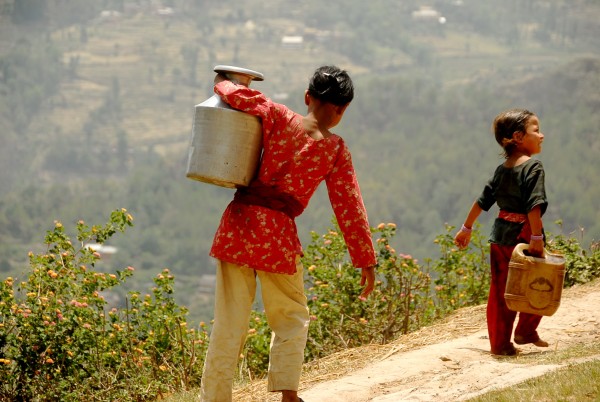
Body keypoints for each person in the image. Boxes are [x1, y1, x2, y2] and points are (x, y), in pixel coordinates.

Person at [200, 65, 377, 402]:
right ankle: (288, 394)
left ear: (308, 97)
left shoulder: (278, 116)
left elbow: (240, 95)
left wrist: (223, 82)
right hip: (277, 239)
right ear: (343, 109)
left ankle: (214, 398)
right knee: (292, 317)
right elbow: (348, 205)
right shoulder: (335, 150)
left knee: (229, 323)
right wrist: (364, 257)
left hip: (238, 227)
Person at [453, 108, 550, 356]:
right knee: (538, 283)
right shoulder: (533, 167)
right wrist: (537, 238)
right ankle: (526, 330)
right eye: (536, 130)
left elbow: (482, 201)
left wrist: (466, 228)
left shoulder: (502, 169)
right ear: (518, 137)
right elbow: (534, 206)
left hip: (499, 239)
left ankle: (500, 344)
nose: (542, 135)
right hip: (524, 238)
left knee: (500, 292)